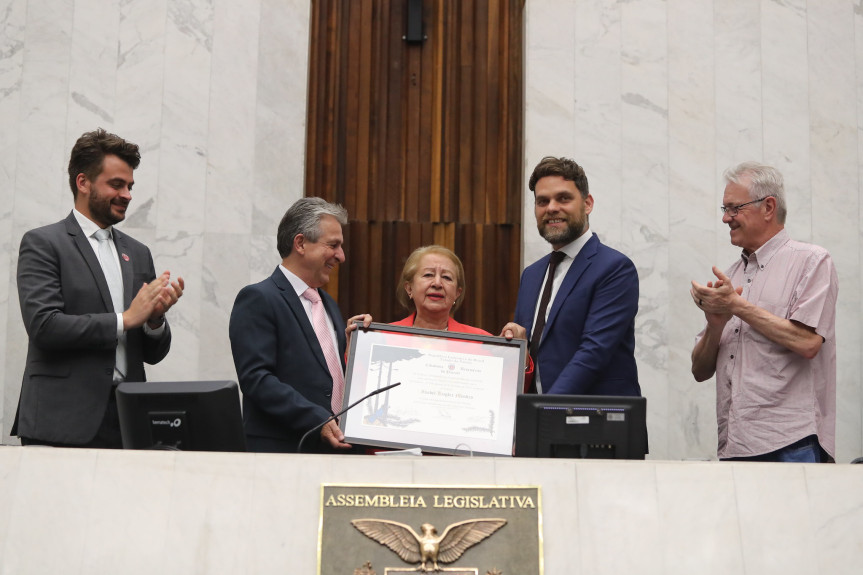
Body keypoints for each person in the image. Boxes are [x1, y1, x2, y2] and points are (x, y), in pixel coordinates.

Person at [13, 128, 184, 448]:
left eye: (130, 186)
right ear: (83, 182)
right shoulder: (43, 244)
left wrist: (154, 321)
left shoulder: (138, 252)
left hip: (126, 421)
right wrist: (126, 319)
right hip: (61, 421)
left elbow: (152, 354)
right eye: (116, 184)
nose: (128, 194)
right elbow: (44, 326)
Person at [690, 162, 838, 463]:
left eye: (734, 208)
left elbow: (808, 343)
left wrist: (738, 307)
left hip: (792, 444)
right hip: (733, 445)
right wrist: (716, 323)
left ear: (768, 207)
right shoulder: (730, 276)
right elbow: (699, 371)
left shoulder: (811, 261)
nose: (725, 218)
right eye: (724, 208)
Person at [229, 197, 364, 453]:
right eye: (333, 245)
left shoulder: (328, 305)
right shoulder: (259, 298)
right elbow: (256, 379)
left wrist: (363, 346)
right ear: (301, 243)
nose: (341, 256)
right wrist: (317, 419)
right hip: (284, 452)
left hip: (337, 451)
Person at [501, 156, 640, 396]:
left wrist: (544, 410)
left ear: (587, 204)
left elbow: (593, 353)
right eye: (542, 201)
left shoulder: (615, 268)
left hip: (595, 427)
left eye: (563, 198)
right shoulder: (531, 275)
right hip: (538, 424)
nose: (551, 208)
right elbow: (533, 359)